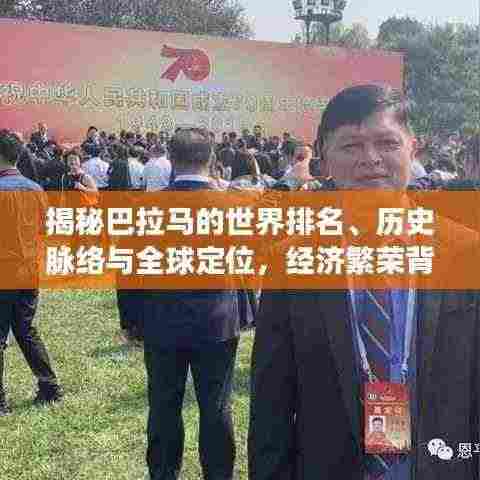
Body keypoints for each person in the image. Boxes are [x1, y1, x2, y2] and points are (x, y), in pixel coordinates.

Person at [248, 84, 480, 480]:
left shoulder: (467, 252)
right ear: (324, 159)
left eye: (387, 143)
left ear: (413, 148)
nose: (370, 159)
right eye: (351, 146)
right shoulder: (291, 262)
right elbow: (271, 401)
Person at [143, 128, 241, 480]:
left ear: (172, 158)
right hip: (217, 322)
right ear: (211, 158)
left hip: (161, 322)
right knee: (216, 406)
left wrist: (131, 321)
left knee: (163, 405)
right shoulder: (231, 206)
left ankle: (163, 473)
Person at [0, 130, 63, 416]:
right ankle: (49, 386)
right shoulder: (35, 189)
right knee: (25, 329)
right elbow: (46, 228)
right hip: (28, 269)